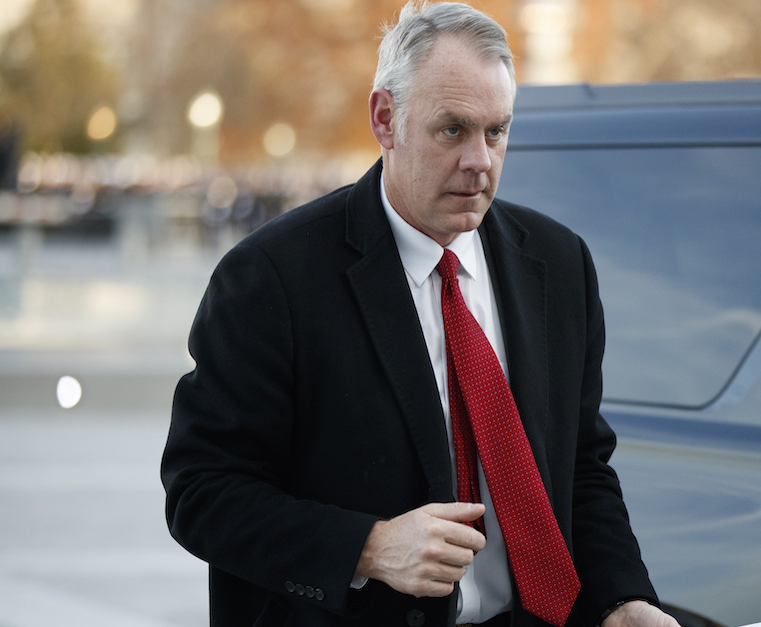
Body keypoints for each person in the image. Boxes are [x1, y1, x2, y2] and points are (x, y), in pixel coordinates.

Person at [161, 3, 679, 626]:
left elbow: (579, 469)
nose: (480, 161)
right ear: (386, 119)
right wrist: (368, 547)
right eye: (453, 131)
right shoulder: (271, 279)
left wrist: (624, 599)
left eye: (497, 132)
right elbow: (203, 492)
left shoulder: (560, 265)